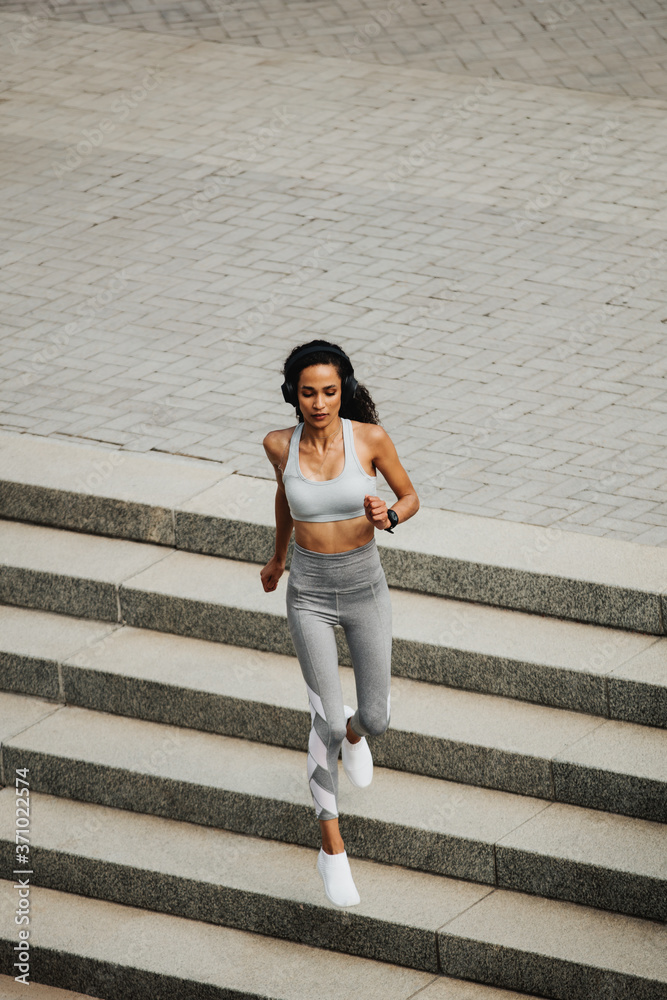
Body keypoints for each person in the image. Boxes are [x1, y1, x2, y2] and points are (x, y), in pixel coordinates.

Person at [260, 339, 420, 907]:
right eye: (308, 393)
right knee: (324, 724)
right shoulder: (279, 444)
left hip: (364, 588)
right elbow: (285, 501)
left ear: (342, 390)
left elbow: (410, 494)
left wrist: (390, 514)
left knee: (372, 719)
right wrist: (278, 559)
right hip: (308, 594)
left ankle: (354, 731)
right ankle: (332, 850)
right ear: (294, 396)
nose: (320, 402)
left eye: (329, 391)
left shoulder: (369, 439)